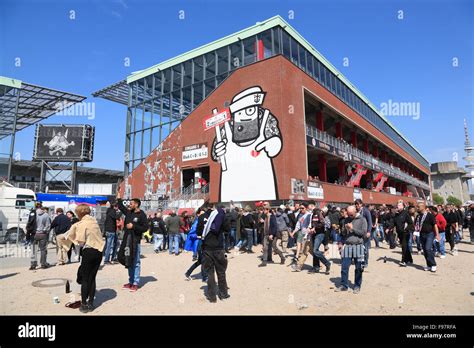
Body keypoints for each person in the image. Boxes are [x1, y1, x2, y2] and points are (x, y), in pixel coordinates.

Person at [61, 204, 105, 313]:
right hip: (99, 252)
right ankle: (91, 303)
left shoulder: (81, 224)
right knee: (92, 277)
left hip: (88, 251)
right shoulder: (94, 222)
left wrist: (74, 240)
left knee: (85, 279)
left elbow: (80, 241)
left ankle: (84, 304)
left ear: (79, 213)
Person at [117, 198, 148, 292]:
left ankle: (135, 283)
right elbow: (121, 207)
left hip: (135, 241)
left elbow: (145, 228)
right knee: (128, 260)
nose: (129, 205)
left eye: (131, 203)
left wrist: (133, 226)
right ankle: (130, 281)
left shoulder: (141, 215)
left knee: (136, 262)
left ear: (137, 204)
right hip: (127, 240)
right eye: (129, 203)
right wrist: (118, 197)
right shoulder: (129, 212)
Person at [335, 205, 367, 294]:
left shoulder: (362, 219)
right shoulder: (346, 219)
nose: (349, 216)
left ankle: (357, 285)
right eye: (348, 214)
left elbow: (363, 233)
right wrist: (345, 230)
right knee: (344, 267)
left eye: (351, 215)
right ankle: (344, 285)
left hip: (358, 246)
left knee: (359, 268)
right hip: (348, 246)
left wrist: (352, 229)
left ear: (355, 212)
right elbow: (343, 234)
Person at [201, 204, 229, 303]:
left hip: (207, 247)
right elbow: (227, 229)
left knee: (210, 273)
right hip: (218, 248)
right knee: (221, 272)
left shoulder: (203, 217)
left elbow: (199, 232)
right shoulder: (222, 216)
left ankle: (212, 296)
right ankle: (223, 294)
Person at [185, 207, 209, 282]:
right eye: (201, 213)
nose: (203, 215)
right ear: (198, 214)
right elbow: (192, 234)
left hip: (204, 242)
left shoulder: (204, 220)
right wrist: (199, 236)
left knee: (200, 261)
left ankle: (188, 273)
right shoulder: (196, 222)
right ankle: (205, 277)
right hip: (199, 243)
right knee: (203, 260)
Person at [415, 202, 439, 272]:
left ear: (423, 207)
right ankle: (429, 265)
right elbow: (416, 226)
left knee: (428, 248)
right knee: (425, 251)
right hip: (421, 234)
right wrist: (414, 234)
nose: (417, 208)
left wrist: (437, 235)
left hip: (430, 234)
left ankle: (433, 264)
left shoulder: (430, 215)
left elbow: (435, 225)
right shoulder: (418, 216)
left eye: (418, 207)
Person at [29, 206, 51, 270]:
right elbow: (48, 225)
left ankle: (33, 265)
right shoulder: (46, 215)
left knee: (34, 250)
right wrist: (45, 230)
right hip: (42, 234)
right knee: (43, 250)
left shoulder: (32, 214)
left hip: (34, 234)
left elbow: (29, 223)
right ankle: (43, 264)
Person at [311, 208, 331, 274]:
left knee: (315, 250)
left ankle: (327, 263)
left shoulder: (318, 212)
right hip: (313, 234)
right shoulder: (311, 214)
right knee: (314, 252)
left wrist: (314, 227)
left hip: (320, 234)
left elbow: (323, 223)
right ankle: (316, 267)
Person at [394, 202, 413, 266]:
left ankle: (403, 261)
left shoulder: (406, 213)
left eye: (399, 205)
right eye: (397, 205)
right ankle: (409, 259)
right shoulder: (396, 214)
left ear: (403, 206)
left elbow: (411, 223)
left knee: (404, 246)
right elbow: (394, 222)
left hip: (405, 233)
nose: (397, 206)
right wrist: (389, 228)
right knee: (405, 247)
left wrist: (406, 229)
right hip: (399, 233)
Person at [354, 199, 372, 268]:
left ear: (361, 204)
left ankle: (365, 262)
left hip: (365, 232)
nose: (356, 205)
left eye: (357, 204)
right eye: (355, 204)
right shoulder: (356, 211)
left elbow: (370, 222)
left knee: (365, 248)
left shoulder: (366, 211)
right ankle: (360, 261)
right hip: (358, 232)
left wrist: (369, 231)